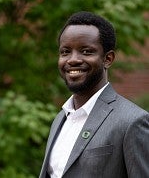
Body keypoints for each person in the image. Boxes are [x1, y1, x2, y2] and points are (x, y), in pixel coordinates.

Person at [39, 11, 149, 178]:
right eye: (65, 51)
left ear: (108, 59)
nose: (72, 59)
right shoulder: (60, 119)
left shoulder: (132, 122)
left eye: (86, 51)